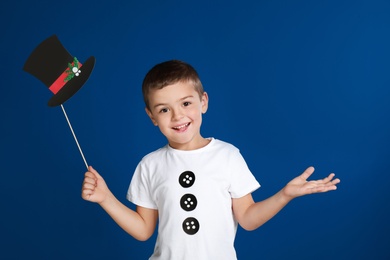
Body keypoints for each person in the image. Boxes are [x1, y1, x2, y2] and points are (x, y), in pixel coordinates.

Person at [81, 60, 340, 260]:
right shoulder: (149, 165)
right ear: (152, 116)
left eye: (185, 103)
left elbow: (248, 219)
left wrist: (285, 194)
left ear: (203, 102)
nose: (177, 116)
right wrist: (106, 198)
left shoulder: (228, 156)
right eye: (164, 109)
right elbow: (143, 230)